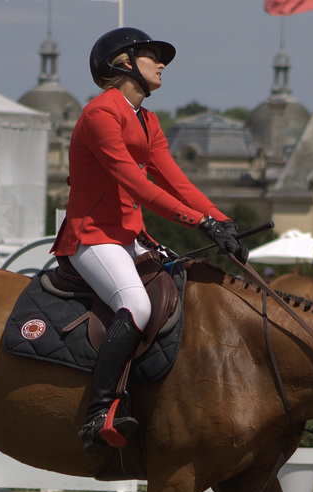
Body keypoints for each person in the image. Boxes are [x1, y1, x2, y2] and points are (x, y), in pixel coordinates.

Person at [51, 27, 247, 453]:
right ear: (123, 64)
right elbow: (133, 183)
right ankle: (99, 412)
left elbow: (176, 181)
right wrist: (199, 222)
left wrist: (223, 222)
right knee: (136, 304)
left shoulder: (148, 120)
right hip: (92, 236)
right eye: (152, 56)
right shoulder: (101, 114)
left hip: (130, 236)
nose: (162, 64)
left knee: (183, 291)